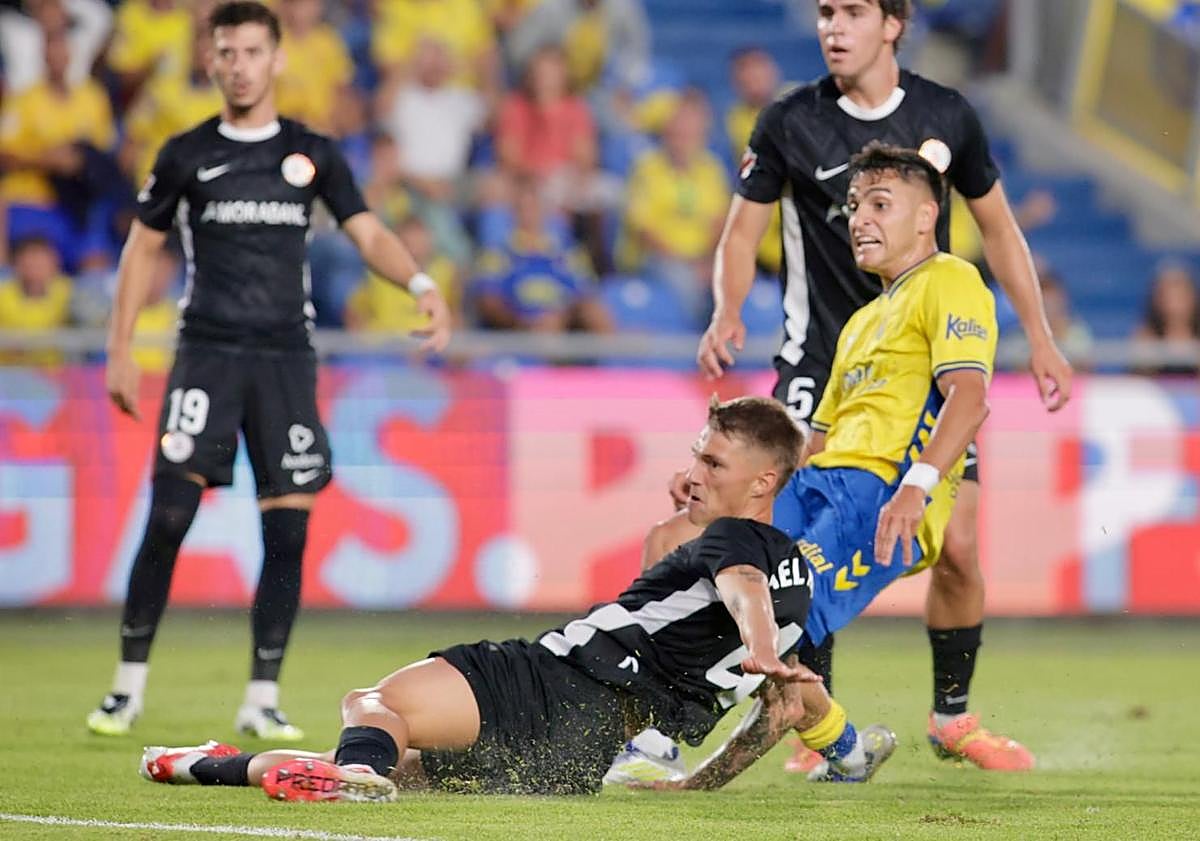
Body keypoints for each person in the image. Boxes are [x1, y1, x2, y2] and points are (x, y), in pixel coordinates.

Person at [137, 397, 895, 800]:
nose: (693, 468)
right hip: (579, 754)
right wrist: (697, 784)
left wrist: (758, 644)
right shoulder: (803, 592)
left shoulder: (741, 547)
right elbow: (784, 711)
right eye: (695, 452)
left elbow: (743, 588)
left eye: (712, 458)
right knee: (389, 765)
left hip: (547, 683)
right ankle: (204, 765)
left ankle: (346, 773)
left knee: (371, 704)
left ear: (765, 482)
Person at [694, 0, 1072, 772]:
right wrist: (727, 309)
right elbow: (743, 228)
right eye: (825, 12)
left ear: (893, 24)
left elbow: (998, 226)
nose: (832, 26)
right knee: (794, 543)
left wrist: (1039, 333)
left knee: (958, 546)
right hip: (820, 361)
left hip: (920, 365)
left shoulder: (948, 115)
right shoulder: (790, 120)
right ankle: (814, 722)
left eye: (851, 12)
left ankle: (951, 718)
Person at [86, 0, 452, 740]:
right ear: (211, 60)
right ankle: (126, 687)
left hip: (286, 360)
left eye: (253, 51)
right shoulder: (186, 153)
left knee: (286, 534)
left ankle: (261, 695)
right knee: (168, 517)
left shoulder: (312, 152)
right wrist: (121, 345)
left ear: (278, 58)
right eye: (227, 52)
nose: (240, 65)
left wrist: (420, 283)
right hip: (207, 355)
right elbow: (142, 249)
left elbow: (368, 229)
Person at [623, 143, 1007, 784]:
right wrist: (713, 474)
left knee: (770, 615)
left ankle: (664, 731)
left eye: (881, 204)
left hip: (880, 498)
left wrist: (917, 486)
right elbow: (813, 441)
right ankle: (842, 747)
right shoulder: (861, 321)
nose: (860, 219)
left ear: (926, 216)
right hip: (821, 481)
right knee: (676, 540)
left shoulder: (951, 281)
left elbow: (969, 397)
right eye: (855, 206)